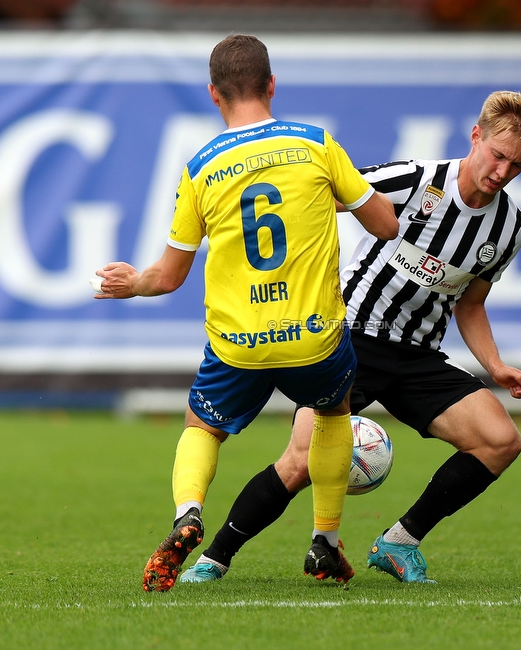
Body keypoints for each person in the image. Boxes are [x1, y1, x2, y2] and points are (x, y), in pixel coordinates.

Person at [177, 90, 521, 585]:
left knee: (500, 441)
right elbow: (322, 195)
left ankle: (401, 542)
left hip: (418, 355)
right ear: (476, 136)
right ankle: (214, 558)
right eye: (497, 155)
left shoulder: (508, 228)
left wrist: (496, 364)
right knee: (299, 462)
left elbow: (471, 303)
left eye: (516, 165)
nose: (502, 171)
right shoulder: (415, 180)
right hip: (352, 341)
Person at [92, 34, 398, 591]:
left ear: (214, 94)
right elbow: (387, 226)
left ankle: (188, 514)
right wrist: (340, 195)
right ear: (272, 84)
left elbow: (169, 276)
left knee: (202, 427)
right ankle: (324, 543)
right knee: (333, 413)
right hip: (313, 338)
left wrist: (131, 283)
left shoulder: (202, 168)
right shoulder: (316, 145)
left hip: (240, 343)